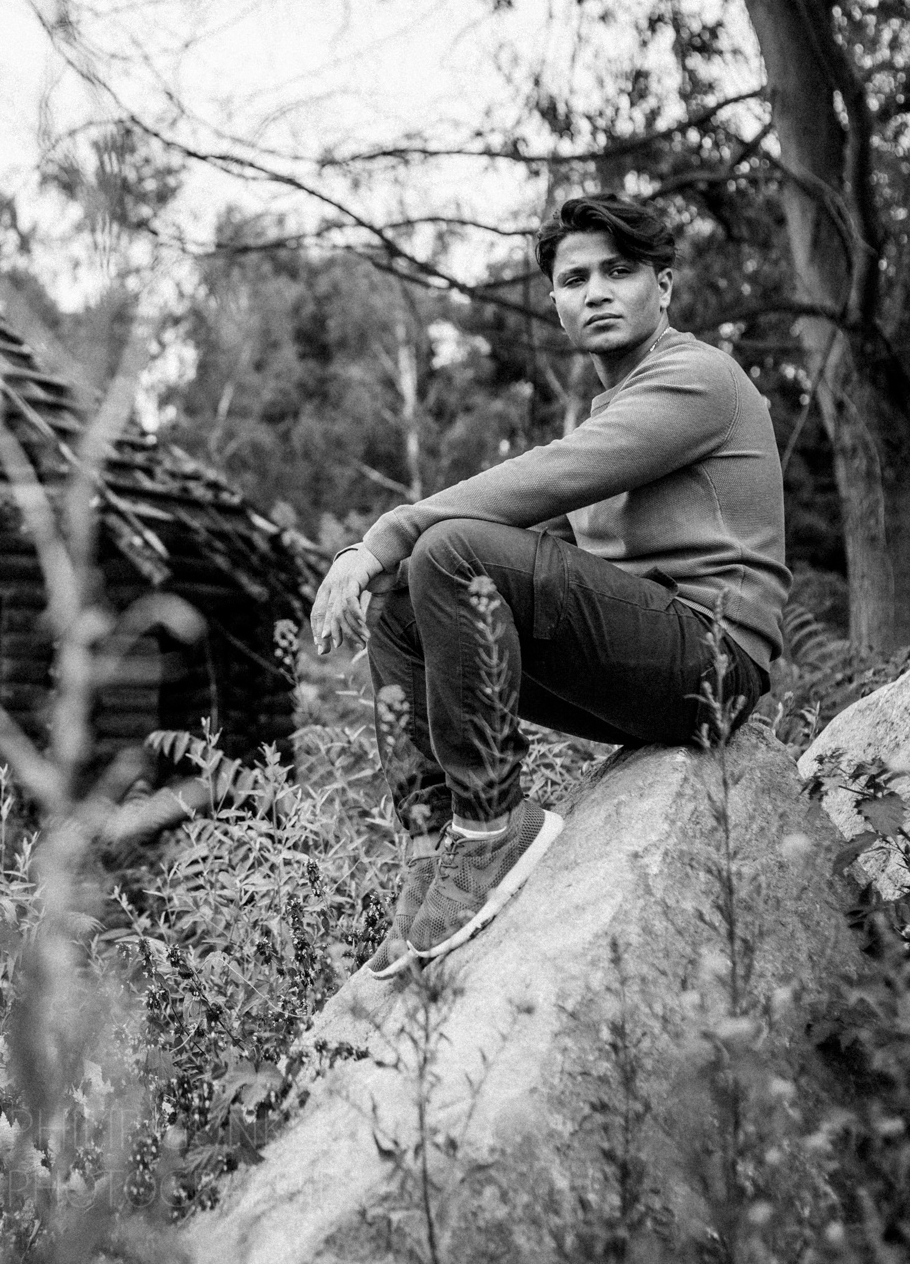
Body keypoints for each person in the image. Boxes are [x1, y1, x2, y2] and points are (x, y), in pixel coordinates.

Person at [309, 192, 790, 978]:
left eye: (619, 271)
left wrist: (386, 533)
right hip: (643, 665)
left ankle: (493, 821)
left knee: (446, 549)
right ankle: (433, 848)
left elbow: (546, 479)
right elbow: (544, 561)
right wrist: (395, 564)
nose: (596, 292)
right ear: (557, 302)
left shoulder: (698, 379)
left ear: (664, 286)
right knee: (402, 598)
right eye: (575, 279)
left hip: (711, 663)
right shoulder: (614, 409)